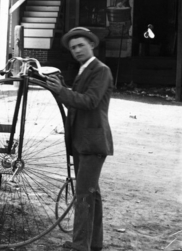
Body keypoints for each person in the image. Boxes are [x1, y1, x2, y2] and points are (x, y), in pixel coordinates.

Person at [46, 27, 114, 251]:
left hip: (93, 141)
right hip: (82, 141)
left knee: (84, 195)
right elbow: (76, 105)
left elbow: (90, 101)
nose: (76, 50)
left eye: (80, 45)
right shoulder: (84, 70)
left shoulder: (100, 70)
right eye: (73, 47)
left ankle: (79, 246)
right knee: (90, 194)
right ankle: (93, 243)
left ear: (92, 45)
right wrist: (60, 91)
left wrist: (63, 91)